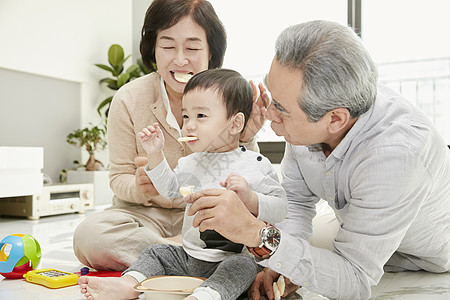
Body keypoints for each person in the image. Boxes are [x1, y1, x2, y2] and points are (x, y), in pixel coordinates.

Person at [185, 20, 450, 300]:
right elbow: (296, 202)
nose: (268, 112)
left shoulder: (397, 156)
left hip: (427, 259)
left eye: (281, 109)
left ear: (335, 119)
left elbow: (354, 279)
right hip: (356, 239)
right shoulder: (309, 116)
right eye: (271, 96)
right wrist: (280, 263)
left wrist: (257, 234)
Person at [73, 0, 265, 272]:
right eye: (167, 46)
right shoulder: (128, 98)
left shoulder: (229, 96)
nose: (180, 59)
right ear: (153, 48)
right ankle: (184, 254)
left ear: (211, 51)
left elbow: (251, 176)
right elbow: (118, 179)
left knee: (268, 230)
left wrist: (245, 137)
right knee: (90, 236)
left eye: (193, 47)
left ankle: (164, 258)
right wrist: (141, 188)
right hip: (146, 218)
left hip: (209, 216)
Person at [78, 68, 287, 300]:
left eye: (201, 116)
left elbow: (281, 207)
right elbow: (168, 190)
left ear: (236, 124)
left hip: (230, 259)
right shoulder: (190, 162)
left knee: (243, 267)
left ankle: (205, 296)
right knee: (156, 252)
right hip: (189, 256)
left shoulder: (256, 163)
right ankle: (128, 285)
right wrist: (155, 154)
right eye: (186, 116)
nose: (188, 125)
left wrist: (251, 199)